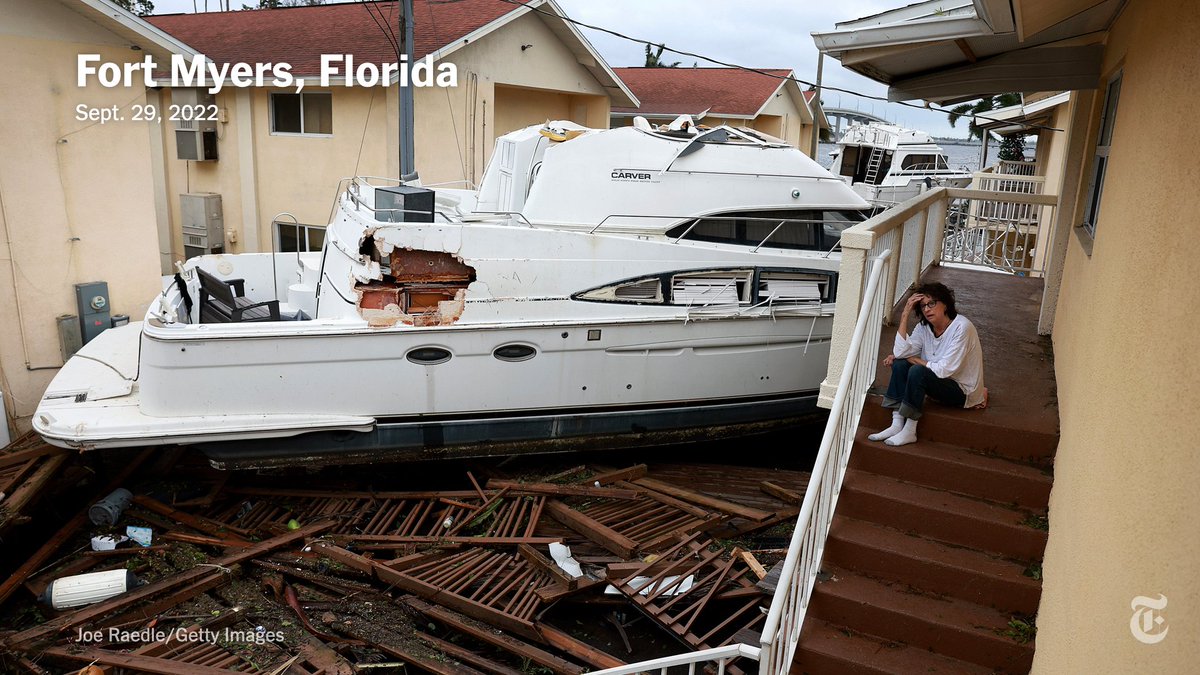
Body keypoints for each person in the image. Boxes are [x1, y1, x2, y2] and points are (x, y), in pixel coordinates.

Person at [868, 282, 986, 447]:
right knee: (900, 363)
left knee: (917, 371)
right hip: (938, 383)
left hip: (961, 392)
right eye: (923, 306)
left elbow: (944, 370)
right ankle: (896, 424)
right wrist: (905, 314)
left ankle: (910, 430)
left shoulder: (962, 327)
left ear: (945, 303)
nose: (927, 309)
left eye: (932, 303)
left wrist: (915, 359)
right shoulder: (924, 327)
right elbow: (902, 353)